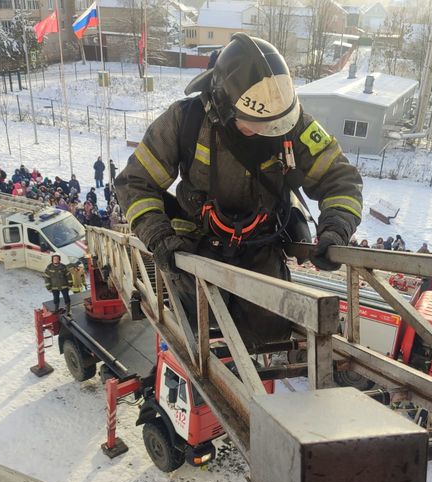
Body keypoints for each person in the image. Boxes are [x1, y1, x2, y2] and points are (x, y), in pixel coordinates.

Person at [115, 33, 362, 347]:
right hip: (196, 246)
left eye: (275, 123)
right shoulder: (185, 121)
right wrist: (159, 236)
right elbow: (135, 182)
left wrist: (336, 228)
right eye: (254, 123)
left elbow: (341, 180)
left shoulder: (289, 122)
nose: (268, 130)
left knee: (269, 334)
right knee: (193, 329)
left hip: (262, 247)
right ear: (222, 103)